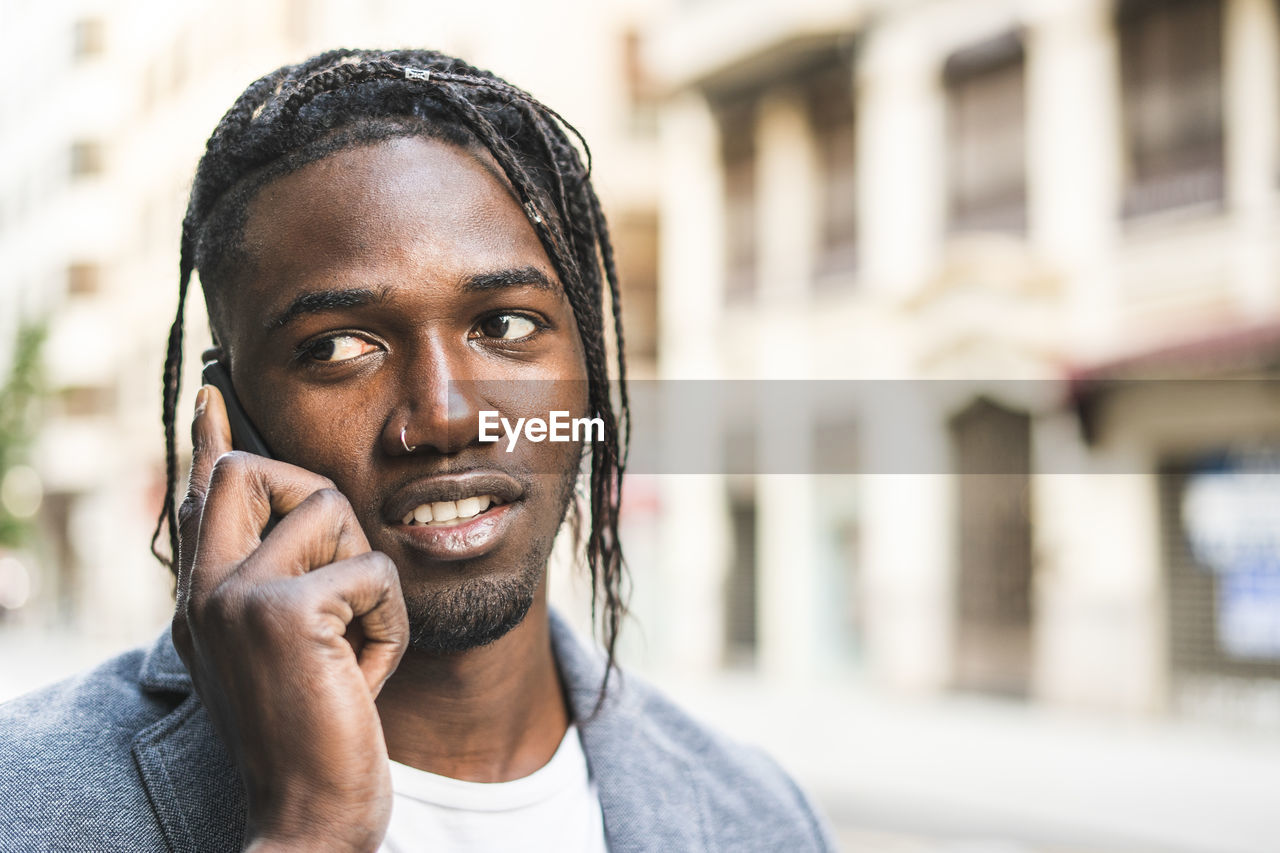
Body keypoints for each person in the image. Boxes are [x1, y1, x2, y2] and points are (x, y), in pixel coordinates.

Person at [0, 48, 836, 852]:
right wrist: (309, 830)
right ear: (225, 418)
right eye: (339, 346)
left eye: (505, 326)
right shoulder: (26, 802)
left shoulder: (760, 815)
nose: (444, 416)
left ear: (589, 367)